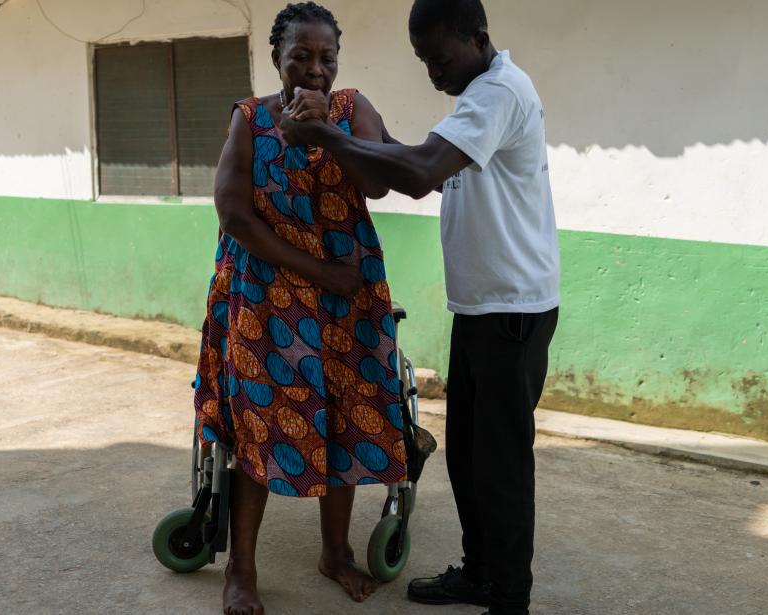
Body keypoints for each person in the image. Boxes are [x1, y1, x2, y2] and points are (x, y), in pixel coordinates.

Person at [279, 1, 560, 614]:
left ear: (477, 39)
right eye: (423, 61)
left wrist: (326, 134)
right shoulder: (477, 97)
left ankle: (510, 599)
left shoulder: (499, 93)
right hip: (484, 309)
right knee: (467, 456)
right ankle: (482, 571)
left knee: (502, 465)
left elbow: (419, 172)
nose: (433, 73)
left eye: (440, 58)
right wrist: (358, 137)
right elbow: (422, 165)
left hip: (512, 312)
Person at [192, 3, 409, 614]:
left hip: (347, 304)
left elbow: (377, 182)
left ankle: (334, 553)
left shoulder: (353, 109)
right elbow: (234, 214)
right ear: (277, 61)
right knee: (260, 427)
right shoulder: (251, 119)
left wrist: (328, 133)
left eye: (327, 58)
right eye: (301, 58)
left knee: (341, 418)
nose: (316, 70)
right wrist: (316, 272)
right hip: (268, 302)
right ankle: (241, 569)